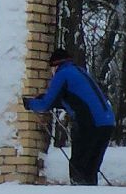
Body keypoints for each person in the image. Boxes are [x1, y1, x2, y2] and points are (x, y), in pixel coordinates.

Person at [26, 46, 116, 186]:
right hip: (107, 122)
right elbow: (76, 101)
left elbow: (45, 105)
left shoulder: (63, 74)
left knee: (78, 167)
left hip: (90, 123)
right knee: (91, 169)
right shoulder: (79, 71)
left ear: (55, 65)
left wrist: (29, 103)